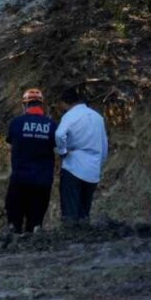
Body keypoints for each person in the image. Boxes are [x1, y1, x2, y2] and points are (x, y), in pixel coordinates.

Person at [3, 88, 56, 234]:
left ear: (24, 105)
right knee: (35, 224)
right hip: (42, 181)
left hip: (20, 179)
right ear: (41, 105)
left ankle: (14, 250)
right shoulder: (51, 125)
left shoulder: (16, 123)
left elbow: (11, 141)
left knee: (14, 222)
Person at [54, 87, 108, 224]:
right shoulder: (98, 118)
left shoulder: (70, 116)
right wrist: (99, 163)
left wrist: (62, 151)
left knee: (71, 211)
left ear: (64, 103)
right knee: (85, 210)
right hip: (93, 170)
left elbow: (59, 134)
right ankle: (85, 238)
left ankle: (71, 238)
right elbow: (104, 146)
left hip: (74, 166)